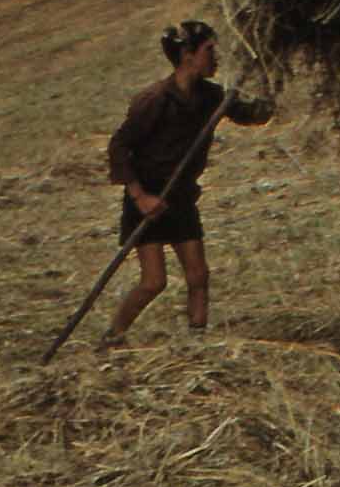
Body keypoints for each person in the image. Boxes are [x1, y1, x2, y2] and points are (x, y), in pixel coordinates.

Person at [100, 20, 274, 347]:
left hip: (179, 198)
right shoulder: (154, 100)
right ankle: (114, 336)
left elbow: (252, 115)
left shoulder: (212, 96)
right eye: (209, 50)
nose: (216, 57)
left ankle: (197, 343)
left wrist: (268, 80)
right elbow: (119, 147)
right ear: (187, 55)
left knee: (198, 276)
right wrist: (140, 197)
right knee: (153, 282)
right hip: (148, 199)